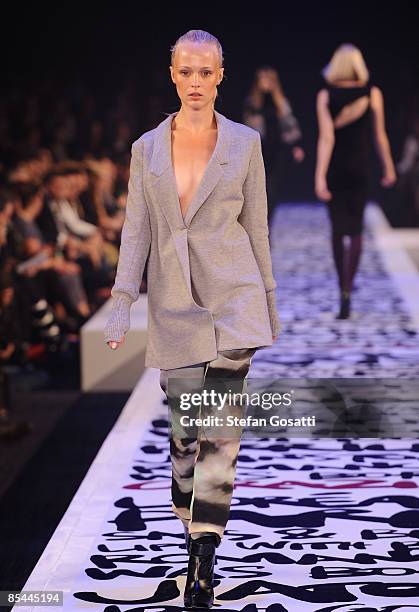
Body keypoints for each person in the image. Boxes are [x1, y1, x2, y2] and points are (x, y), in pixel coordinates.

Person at [104, 29, 280, 608]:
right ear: (173, 74)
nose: (197, 82)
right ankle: (193, 532)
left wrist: (268, 307)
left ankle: (203, 559)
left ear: (221, 75)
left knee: (219, 438)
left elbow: (257, 229)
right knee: (185, 438)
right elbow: (137, 230)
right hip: (175, 306)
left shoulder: (245, 143)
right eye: (188, 72)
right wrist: (123, 296)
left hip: (233, 299)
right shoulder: (146, 149)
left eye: (207, 72)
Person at [315, 44, 396, 319]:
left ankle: (342, 288)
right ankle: (349, 286)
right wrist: (388, 167)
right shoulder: (372, 93)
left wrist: (319, 177)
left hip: (336, 170)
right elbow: (379, 135)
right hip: (361, 168)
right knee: (357, 230)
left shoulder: (326, 95)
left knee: (338, 230)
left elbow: (326, 138)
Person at [243, 66, 305, 225]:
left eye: (268, 79)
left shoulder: (281, 103)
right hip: (258, 151)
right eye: (262, 79)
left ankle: (268, 224)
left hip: (277, 151)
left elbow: (290, 125)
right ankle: (261, 225)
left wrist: (296, 146)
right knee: (259, 190)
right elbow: (246, 128)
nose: (265, 83)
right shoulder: (252, 103)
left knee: (273, 189)